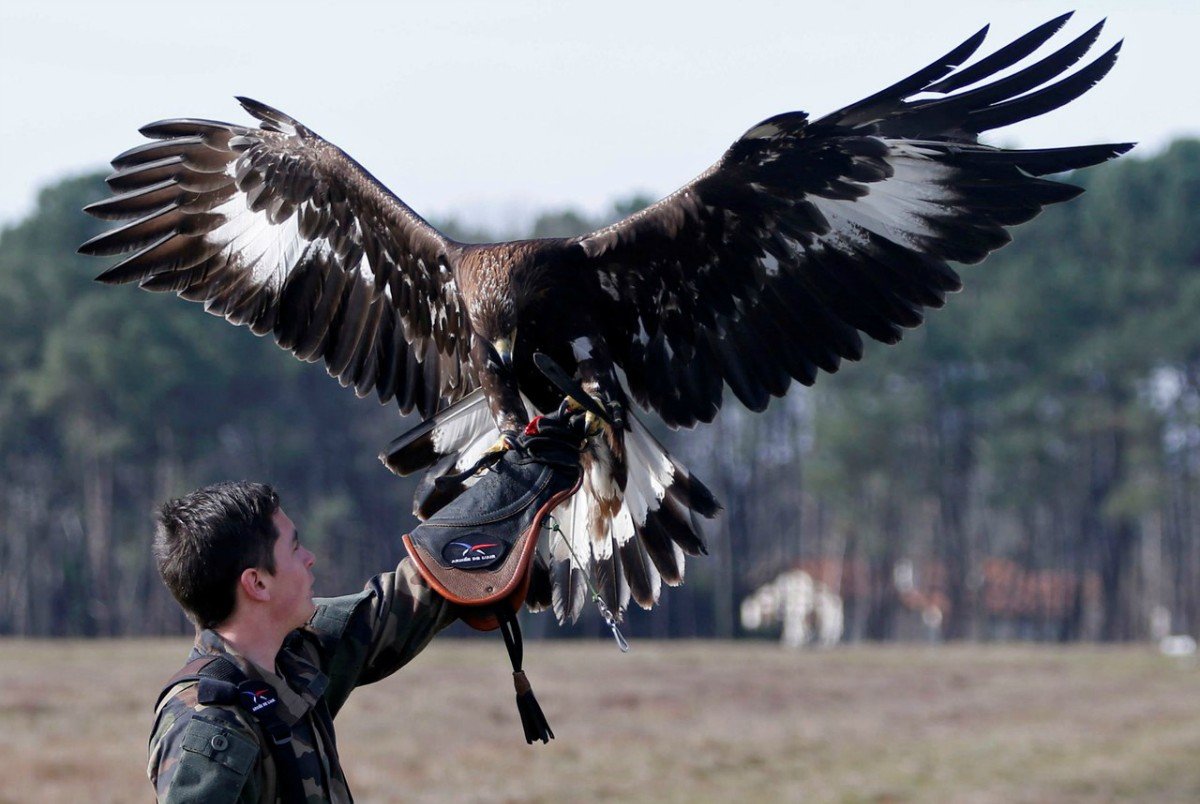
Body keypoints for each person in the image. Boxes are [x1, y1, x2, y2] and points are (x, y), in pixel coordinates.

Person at [147, 480, 456, 802]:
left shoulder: (293, 656)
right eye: (295, 548)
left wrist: (503, 477)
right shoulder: (211, 723)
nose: (310, 558)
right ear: (258, 583)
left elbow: (408, 600)